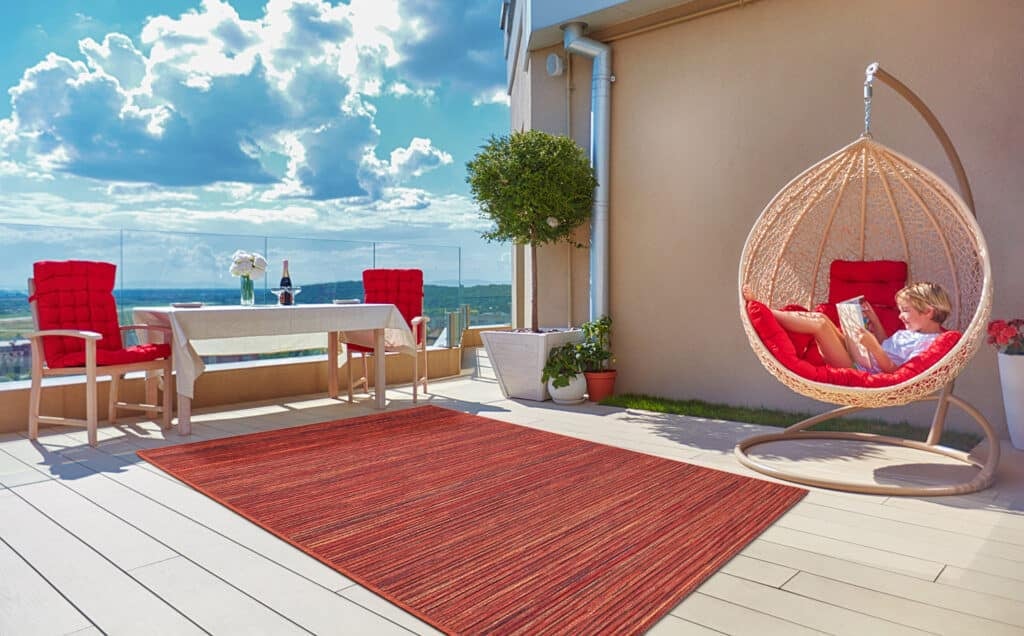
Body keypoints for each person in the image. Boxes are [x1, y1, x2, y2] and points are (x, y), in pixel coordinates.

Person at [743, 282, 951, 373]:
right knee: (822, 317)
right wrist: (874, 320)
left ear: (928, 312)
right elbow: (886, 344)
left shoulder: (930, 344)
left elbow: (895, 371)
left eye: (906, 310)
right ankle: (765, 310)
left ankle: (764, 310)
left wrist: (874, 348)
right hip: (862, 356)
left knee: (821, 325)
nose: (900, 315)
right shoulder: (912, 332)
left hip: (858, 368)